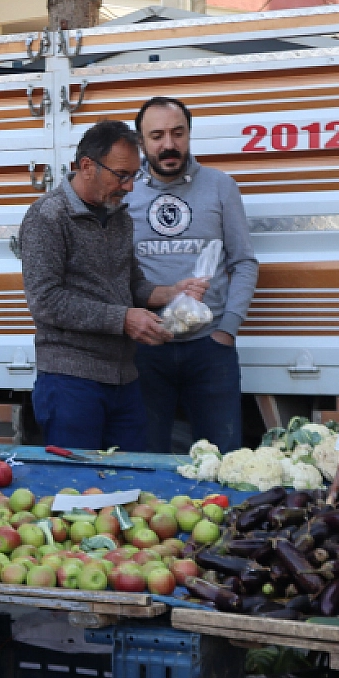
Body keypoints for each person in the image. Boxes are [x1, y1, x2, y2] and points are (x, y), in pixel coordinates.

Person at [19, 121, 207, 452]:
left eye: (135, 175)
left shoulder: (118, 215)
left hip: (125, 380)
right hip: (70, 383)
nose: (130, 187)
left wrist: (172, 293)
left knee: (130, 485)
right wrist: (123, 319)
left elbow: (130, 283)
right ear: (87, 166)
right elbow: (45, 300)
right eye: (122, 175)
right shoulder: (47, 217)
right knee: (78, 493)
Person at [124, 96, 259, 453]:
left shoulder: (220, 186)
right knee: (146, 457)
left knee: (223, 459)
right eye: (156, 135)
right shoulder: (125, 192)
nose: (168, 144)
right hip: (145, 349)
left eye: (177, 133)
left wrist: (227, 330)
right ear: (142, 143)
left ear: (189, 135)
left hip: (210, 349)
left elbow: (244, 261)